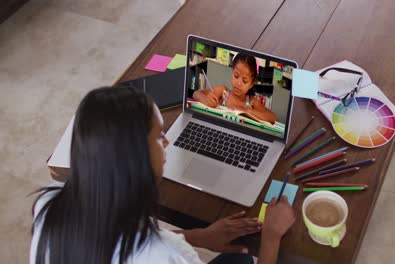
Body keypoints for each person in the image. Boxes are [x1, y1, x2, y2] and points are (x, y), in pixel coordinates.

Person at [30, 86, 295, 264]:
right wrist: (271, 236)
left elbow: (121, 241)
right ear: (136, 158)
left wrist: (199, 237)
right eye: (159, 135)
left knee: (238, 257)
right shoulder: (166, 255)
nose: (167, 142)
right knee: (245, 257)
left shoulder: (49, 205)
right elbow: (155, 249)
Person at [193, 54, 277, 124]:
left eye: (244, 81)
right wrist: (207, 100)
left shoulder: (251, 101)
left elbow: (273, 118)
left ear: (251, 84)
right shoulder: (223, 92)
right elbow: (196, 94)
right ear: (232, 71)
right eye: (236, 76)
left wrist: (247, 111)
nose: (238, 83)